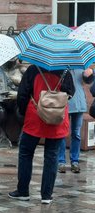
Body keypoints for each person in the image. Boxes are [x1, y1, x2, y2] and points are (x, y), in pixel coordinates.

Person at [8, 65, 75, 204]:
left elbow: (22, 94)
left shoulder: (33, 70)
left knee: (26, 153)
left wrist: (22, 111)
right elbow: (70, 93)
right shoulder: (65, 71)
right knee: (52, 156)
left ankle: (23, 191)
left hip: (35, 117)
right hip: (57, 119)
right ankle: (46, 195)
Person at [58, 68, 94, 173]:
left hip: (78, 103)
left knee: (76, 134)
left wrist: (90, 73)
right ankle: (61, 161)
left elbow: (88, 81)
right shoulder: (60, 65)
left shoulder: (81, 65)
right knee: (61, 134)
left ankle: (75, 161)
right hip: (63, 103)